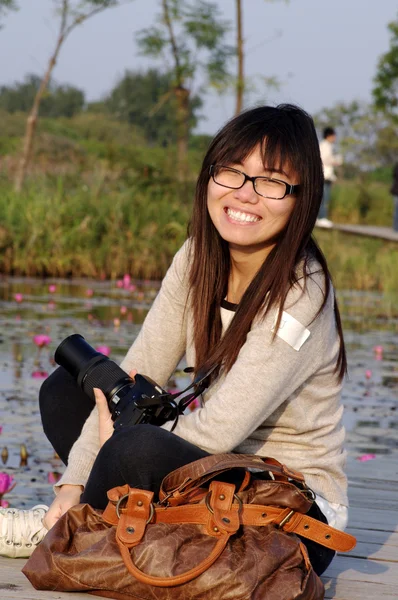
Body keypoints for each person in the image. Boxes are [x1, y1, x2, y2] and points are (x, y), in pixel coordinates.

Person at [0, 104, 348, 577]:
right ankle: (75, 516)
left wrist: (118, 445)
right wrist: (71, 485)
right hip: (208, 477)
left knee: (137, 448)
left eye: (271, 181)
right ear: (209, 176)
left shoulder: (300, 291)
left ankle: (64, 532)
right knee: (67, 391)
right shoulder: (196, 259)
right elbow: (137, 372)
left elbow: (219, 432)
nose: (246, 196)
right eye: (232, 172)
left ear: (301, 199)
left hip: (284, 506)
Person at [317, 126, 343, 228]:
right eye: (334, 135)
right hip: (325, 175)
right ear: (329, 136)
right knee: (324, 197)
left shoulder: (323, 145)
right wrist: (336, 160)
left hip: (324, 175)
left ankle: (319, 218)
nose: (335, 137)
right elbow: (325, 159)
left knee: (322, 197)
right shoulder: (326, 145)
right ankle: (322, 218)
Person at [390, 162, 398, 232]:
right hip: (396, 192)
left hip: (395, 192)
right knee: (397, 210)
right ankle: (396, 228)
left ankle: (395, 228)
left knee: (396, 210)